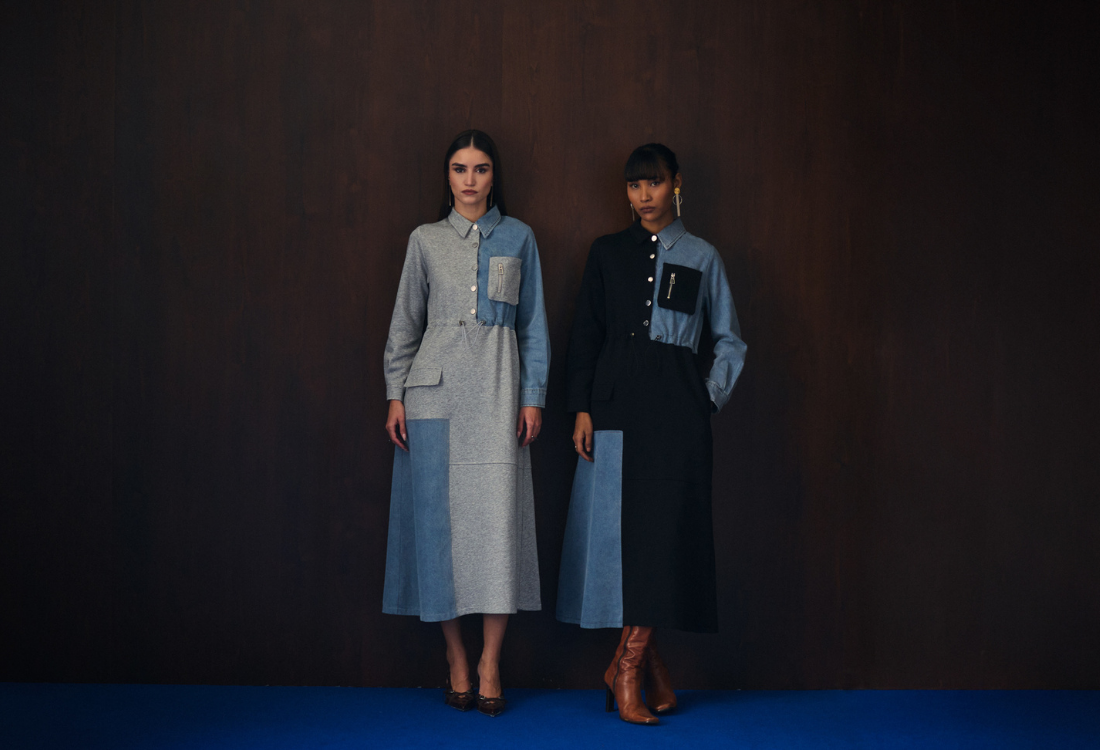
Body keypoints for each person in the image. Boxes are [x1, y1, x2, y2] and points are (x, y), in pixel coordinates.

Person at [557, 143, 747, 725]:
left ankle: (627, 667)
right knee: (624, 539)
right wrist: (581, 408)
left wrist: (706, 398)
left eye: (654, 183)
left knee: (664, 538)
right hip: (615, 409)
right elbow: (586, 335)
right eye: (634, 185)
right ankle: (643, 668)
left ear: (676, 184)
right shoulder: (607, 252)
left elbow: (730, 341)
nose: (643, 196)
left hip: (677, 415)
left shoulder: (703, 256)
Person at [382, 130, 549, 717]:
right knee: (439, 529)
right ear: (447, 176)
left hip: (499, 395)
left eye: (480, 168)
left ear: (493, 174)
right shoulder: (424, 240)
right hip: (432, 397)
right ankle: (455, 656)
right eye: (459, 168)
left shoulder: (520, 236)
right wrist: (395, 395)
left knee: (498, 526)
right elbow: (405, 324)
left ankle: (490, 662)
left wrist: (533, 397)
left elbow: (533, 327)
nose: (469, 179)